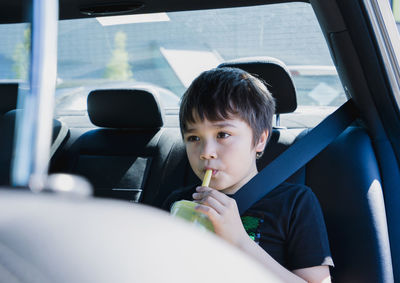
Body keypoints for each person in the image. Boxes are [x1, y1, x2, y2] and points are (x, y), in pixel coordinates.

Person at [163, 67, 334, 283]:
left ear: (260, 139)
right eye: (194, 138)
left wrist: (240, 241)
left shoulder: (294, 203)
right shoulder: (177, 203)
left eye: (223, 134)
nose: (206, 152)